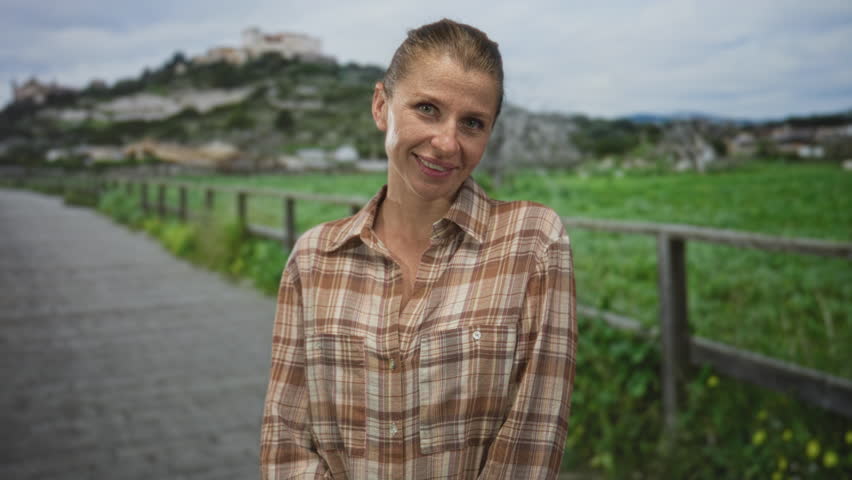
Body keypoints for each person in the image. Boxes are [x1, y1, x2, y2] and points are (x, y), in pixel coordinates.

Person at [261, 18, 577, 480]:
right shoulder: (313, 259)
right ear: (381, 106)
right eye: (427, 109)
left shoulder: (533, 243)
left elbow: (532, 443)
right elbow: (284, 445)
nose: (447, 143)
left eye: (472, 123)